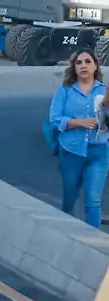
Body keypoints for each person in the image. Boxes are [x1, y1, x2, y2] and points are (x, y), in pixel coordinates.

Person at [49, 49, 109, 228]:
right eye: (79, 62)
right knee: (69, 200)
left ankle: (93, 247)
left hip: (98, 153)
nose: (83, 65)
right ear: (74, 68)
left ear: (95, 66)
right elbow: (54, 118)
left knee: (93, 201)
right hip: (71, 151)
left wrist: (106, 108)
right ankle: (68, 238)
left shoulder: (104, 91)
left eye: (88, 62)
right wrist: (78, 122)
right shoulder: (65, 91)